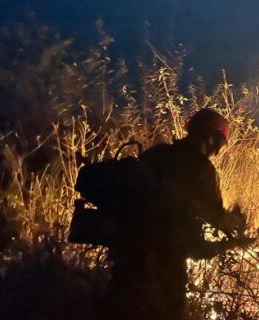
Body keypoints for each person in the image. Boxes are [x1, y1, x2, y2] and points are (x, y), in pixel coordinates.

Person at [104, 108, 251, 320]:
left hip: (127, 252)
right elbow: (215, 218)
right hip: (166, 263)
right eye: (220, 144)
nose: (219, 151)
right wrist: (236, 226)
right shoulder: (202, 170)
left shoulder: (158, 153)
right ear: (210, 138)